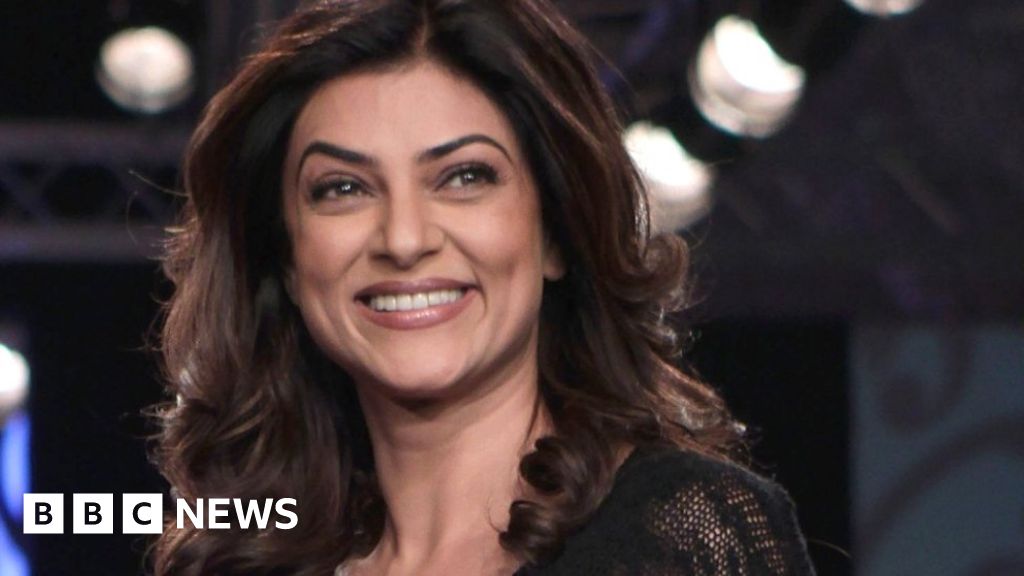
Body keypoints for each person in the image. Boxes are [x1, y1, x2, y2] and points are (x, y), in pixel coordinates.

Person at [151, 0, 817, 574]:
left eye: (465, 177)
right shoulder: (246, 556)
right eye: (344, 188)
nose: (404, 239)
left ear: (556, 231)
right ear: (288, 262)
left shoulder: (676, 535)